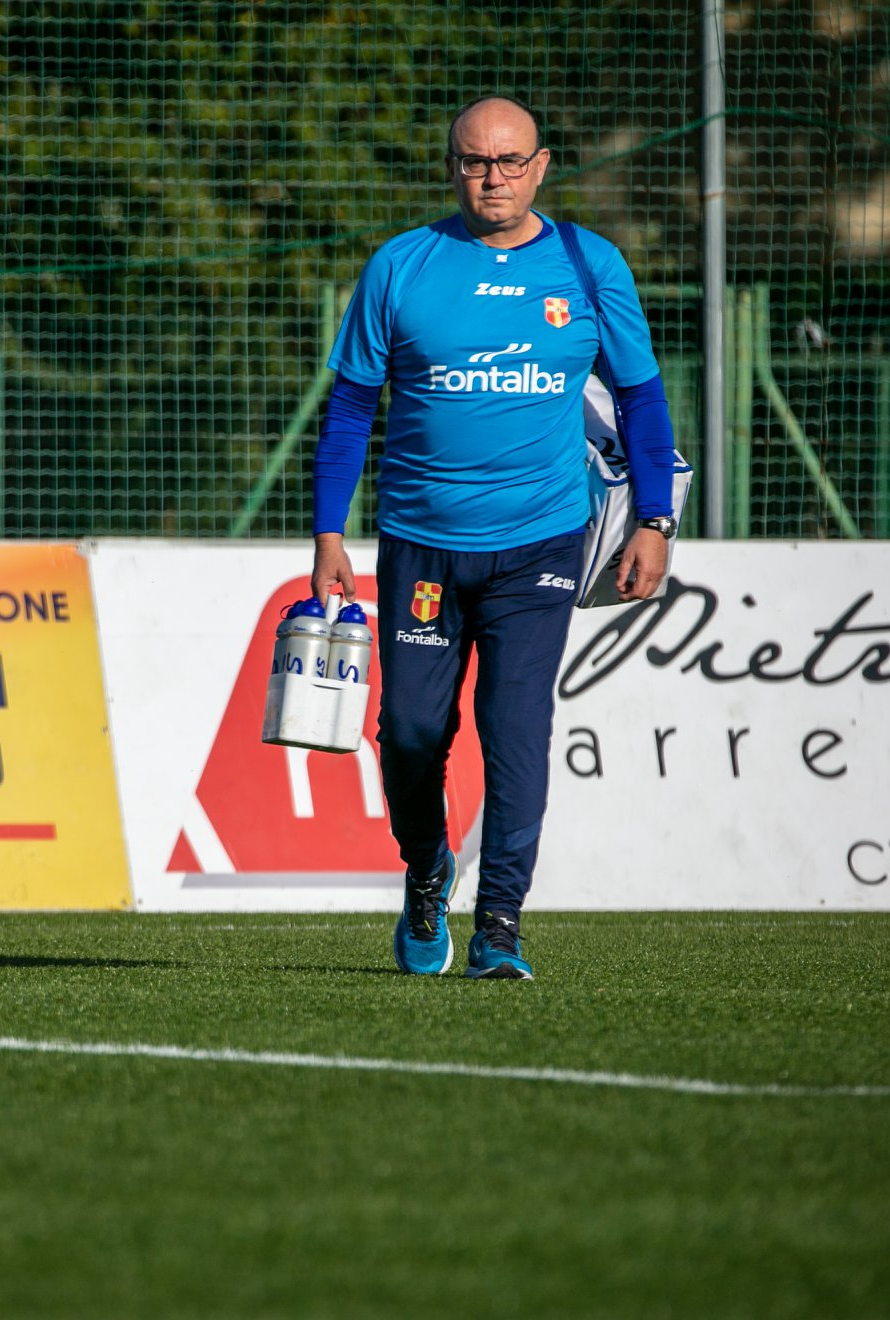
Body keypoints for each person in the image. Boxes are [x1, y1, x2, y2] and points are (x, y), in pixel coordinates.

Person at [310, 94, 678, 980]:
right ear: (453, 168)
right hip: (420, 545)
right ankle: (425, 871)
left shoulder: (590, 265)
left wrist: (656, 519)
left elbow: (641, 397)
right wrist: (328, 533)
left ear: (541, 167)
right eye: (475, 161)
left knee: (514, 733)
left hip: (540, 544)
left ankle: (501, 924)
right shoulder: (401, 266)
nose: (493, 177)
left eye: (511, 161)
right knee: (410, 734)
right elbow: (351, 407)